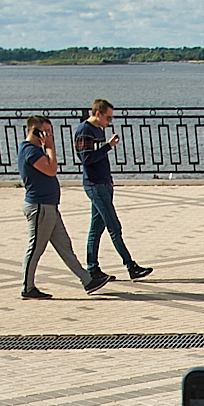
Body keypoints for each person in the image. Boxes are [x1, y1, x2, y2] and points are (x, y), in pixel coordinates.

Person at [21, 116, 103, 300]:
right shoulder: (30, 151)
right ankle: (27, 287)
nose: (50, 135)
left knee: (64, 245)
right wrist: (49, 147)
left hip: (49, 206)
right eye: (46, 132)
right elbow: (51, 170)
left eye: (50, 132)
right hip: (40, 206)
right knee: (36, 247)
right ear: (35, 131)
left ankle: (87, 281)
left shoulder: (34, 150)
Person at [73, 99, 151, 283]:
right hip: (94, 185)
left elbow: (98, 158)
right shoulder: (84, 131)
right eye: (108, 118)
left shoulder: (98, 130)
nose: (109, 122)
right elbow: (86, 159)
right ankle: (131, 266)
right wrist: (108, 146)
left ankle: (92, 268)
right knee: (114, 226)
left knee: (96, 228)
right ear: (97, 113)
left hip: (103, 183)